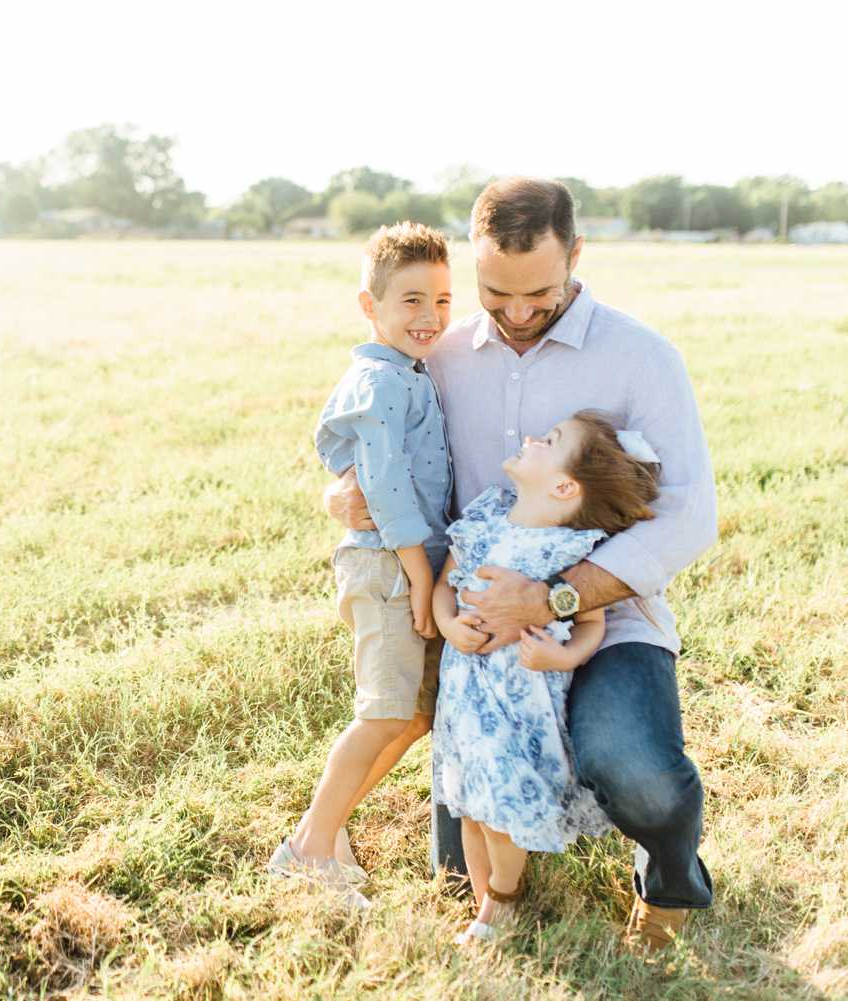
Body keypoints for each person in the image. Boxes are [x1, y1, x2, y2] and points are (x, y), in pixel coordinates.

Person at [326, 177, 717, 951]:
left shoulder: (643, 358)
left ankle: (668, 879)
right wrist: (342, 497)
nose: (513, 312)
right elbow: (381, 455)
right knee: (456, 857)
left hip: (603, 617)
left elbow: (690, 518)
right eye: (492, 292)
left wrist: (553, 599)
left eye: (538, 291)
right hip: (479, 626)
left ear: (576, 254)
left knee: (634, 769)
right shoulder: (441, 356)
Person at [268, 222, 453, 908]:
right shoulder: (377, 381)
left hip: (407, 563)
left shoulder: (408, 373)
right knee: (382, 712)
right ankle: (307, 848)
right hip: (387, 568)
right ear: (368, 305)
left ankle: (327, 829)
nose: (429, 316)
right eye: (410, 299)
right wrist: (422, 573)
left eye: (441, 298)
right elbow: (384, 488)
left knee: (409, 714)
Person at [433, 411, 661, 944]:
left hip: (520, 704)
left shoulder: (565, 551)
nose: (534, 438)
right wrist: (448, 625)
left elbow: (589, 626)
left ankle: (503, 902)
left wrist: (562, 659)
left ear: (563, 486)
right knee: (469, 804)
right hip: (466, 691)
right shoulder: (487, 518)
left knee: (500, 807)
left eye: (550, 440)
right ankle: (486, 904)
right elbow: (447, 586)